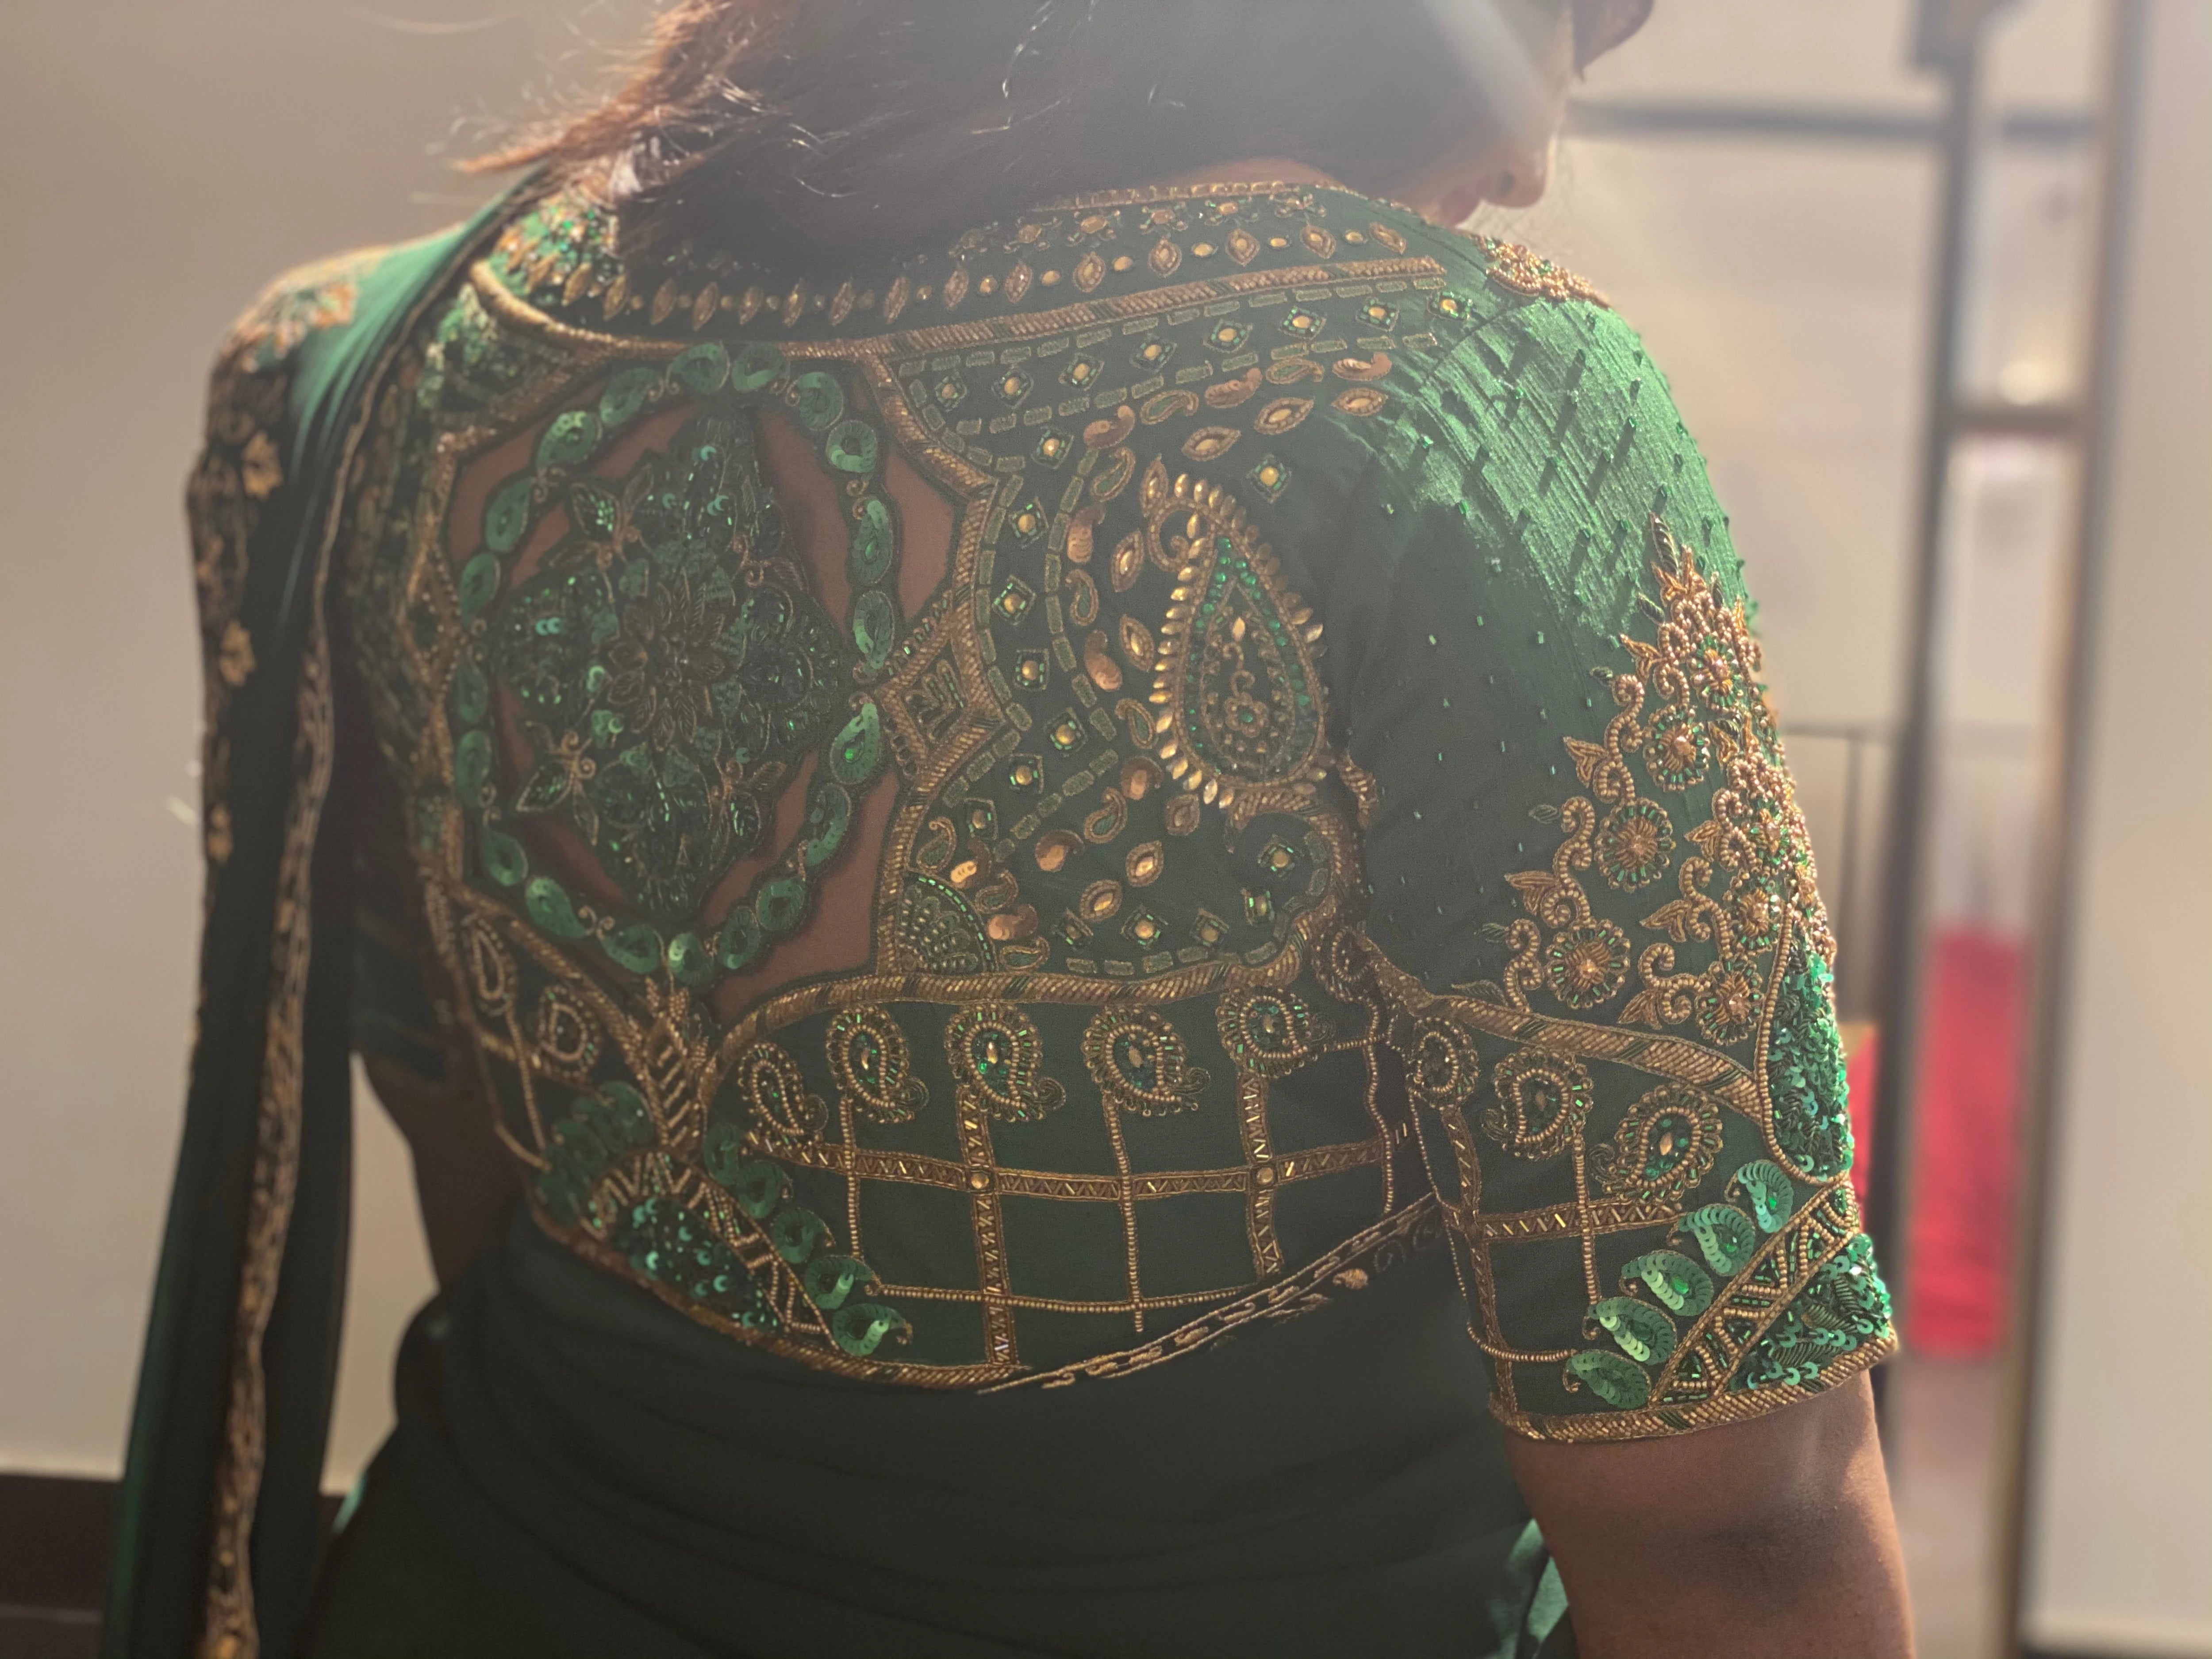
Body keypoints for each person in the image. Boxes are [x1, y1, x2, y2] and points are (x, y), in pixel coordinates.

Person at [106, 2, 1913, 1655]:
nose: (1525, 157)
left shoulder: (356, 370)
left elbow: (475, 1143)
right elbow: (1732, 1511)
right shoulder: (1437, 395)